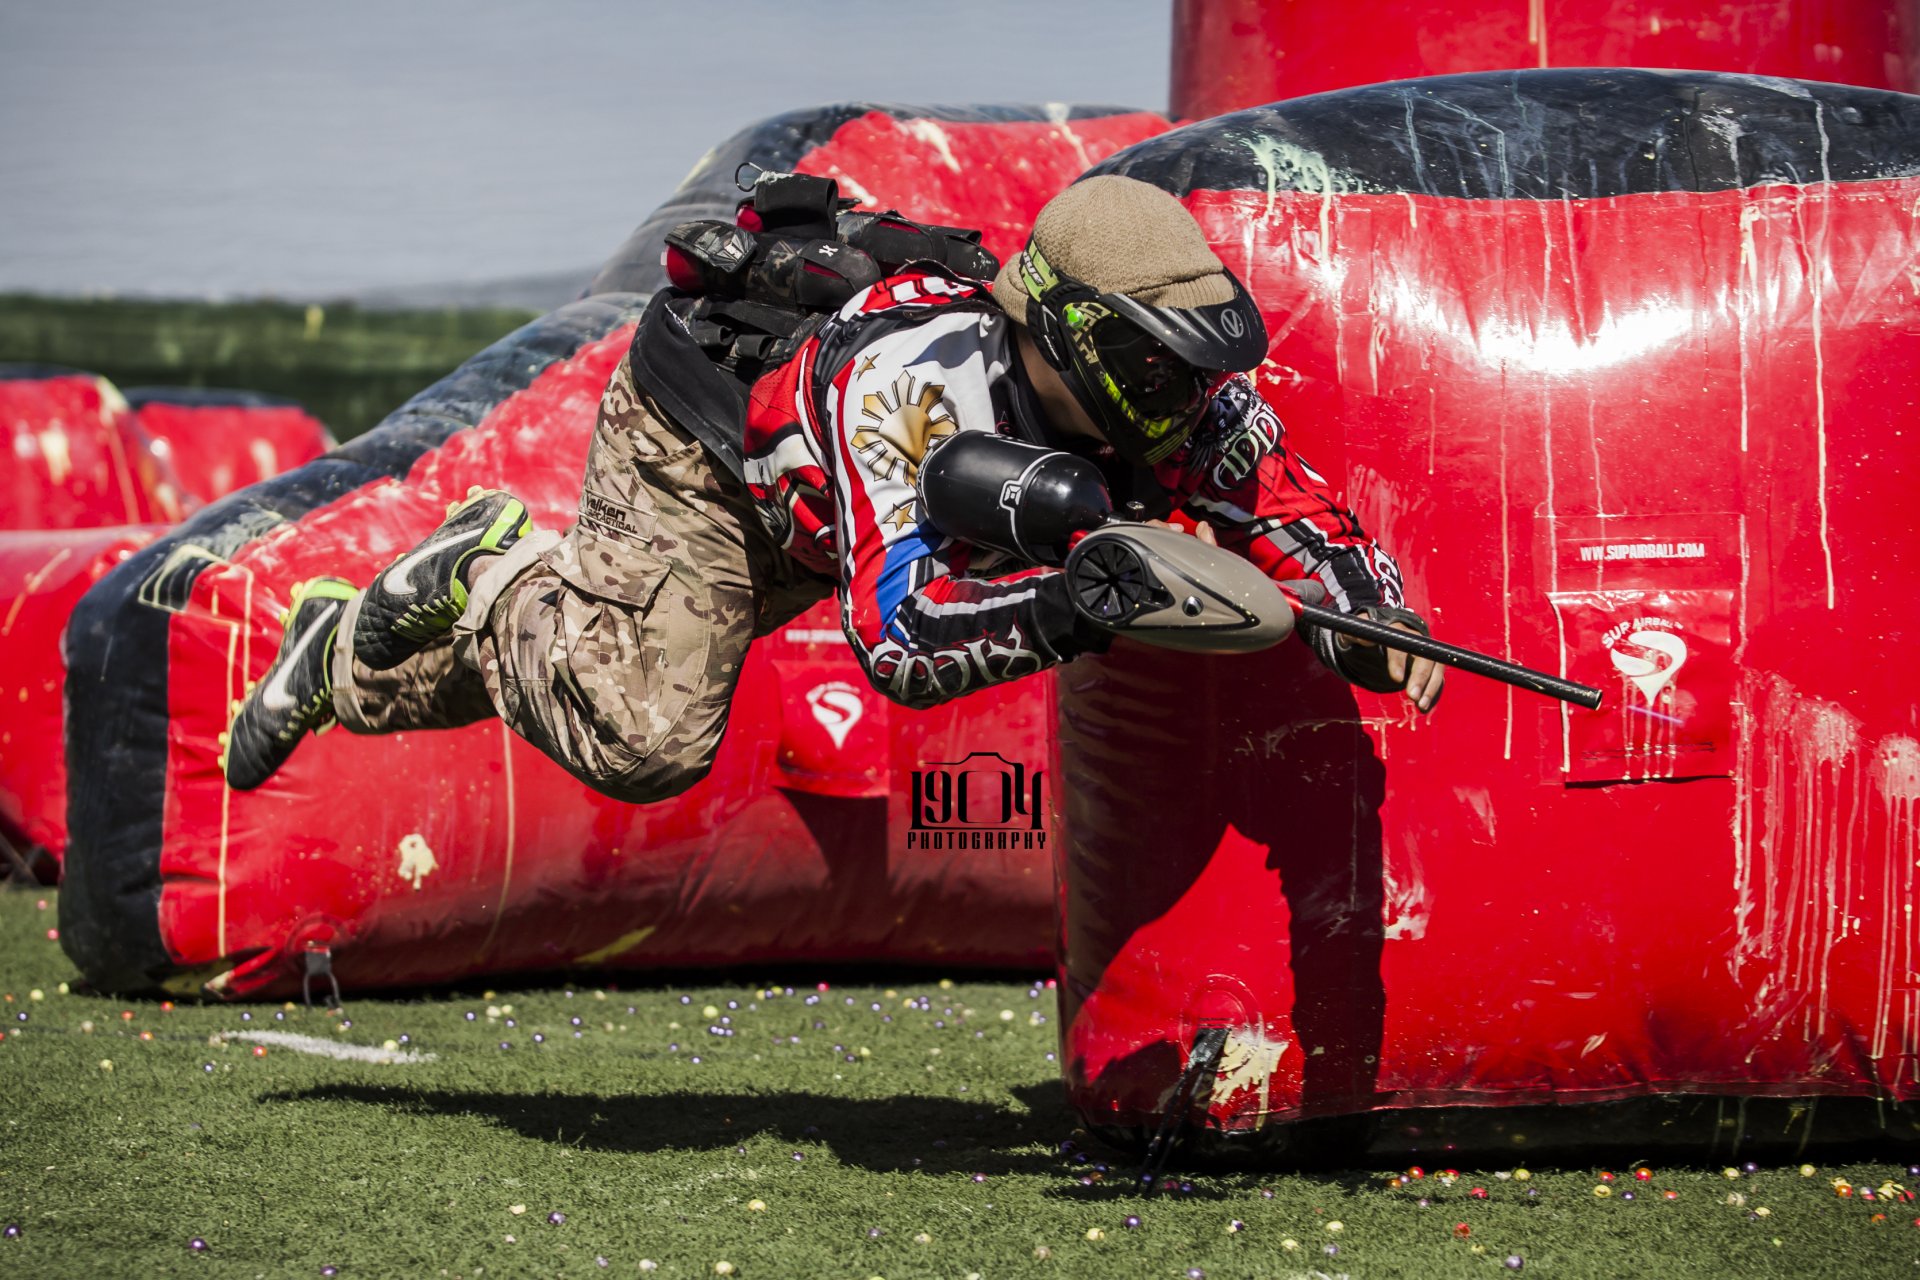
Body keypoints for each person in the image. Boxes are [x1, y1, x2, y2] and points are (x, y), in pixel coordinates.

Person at [222, 175, 1441, 798]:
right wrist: (1072, 609)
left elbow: (1285, 506)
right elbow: (898, 637)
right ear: (1063, 335)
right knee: (648, 735)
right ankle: (489, 566)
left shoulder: (1173, 396)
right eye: (1153, 365)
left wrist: (1374, 617)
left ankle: (334, 655)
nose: (1182, 396)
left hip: (813, 515)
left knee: (562, 683)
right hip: (703, 457)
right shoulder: (916, 390)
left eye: (1193, 364)